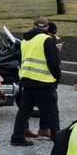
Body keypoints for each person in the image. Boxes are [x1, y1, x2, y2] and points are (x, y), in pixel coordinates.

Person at [11, 16, 61, 146]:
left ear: (33, 26)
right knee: (52, 111)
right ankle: (58, 139)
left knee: (24, 110)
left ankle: (17, 137)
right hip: (43, 81)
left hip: (27, 80)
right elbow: (53, 62)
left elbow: (20, 61)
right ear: (47, 28)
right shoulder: (47, 40)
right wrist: (57, 76)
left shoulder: (25, 41)